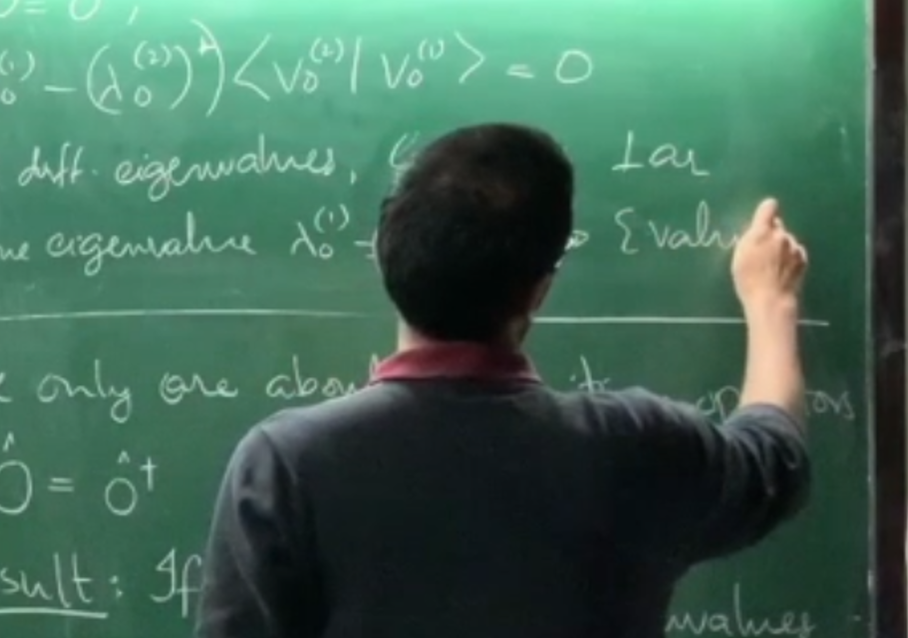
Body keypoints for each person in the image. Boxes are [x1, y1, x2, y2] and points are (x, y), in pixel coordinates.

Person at [198, 123, 812, 638]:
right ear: (539, 291)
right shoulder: (639, 448)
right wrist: (771, 303)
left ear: (384, 251)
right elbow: (775, 456)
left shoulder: (287, 465)